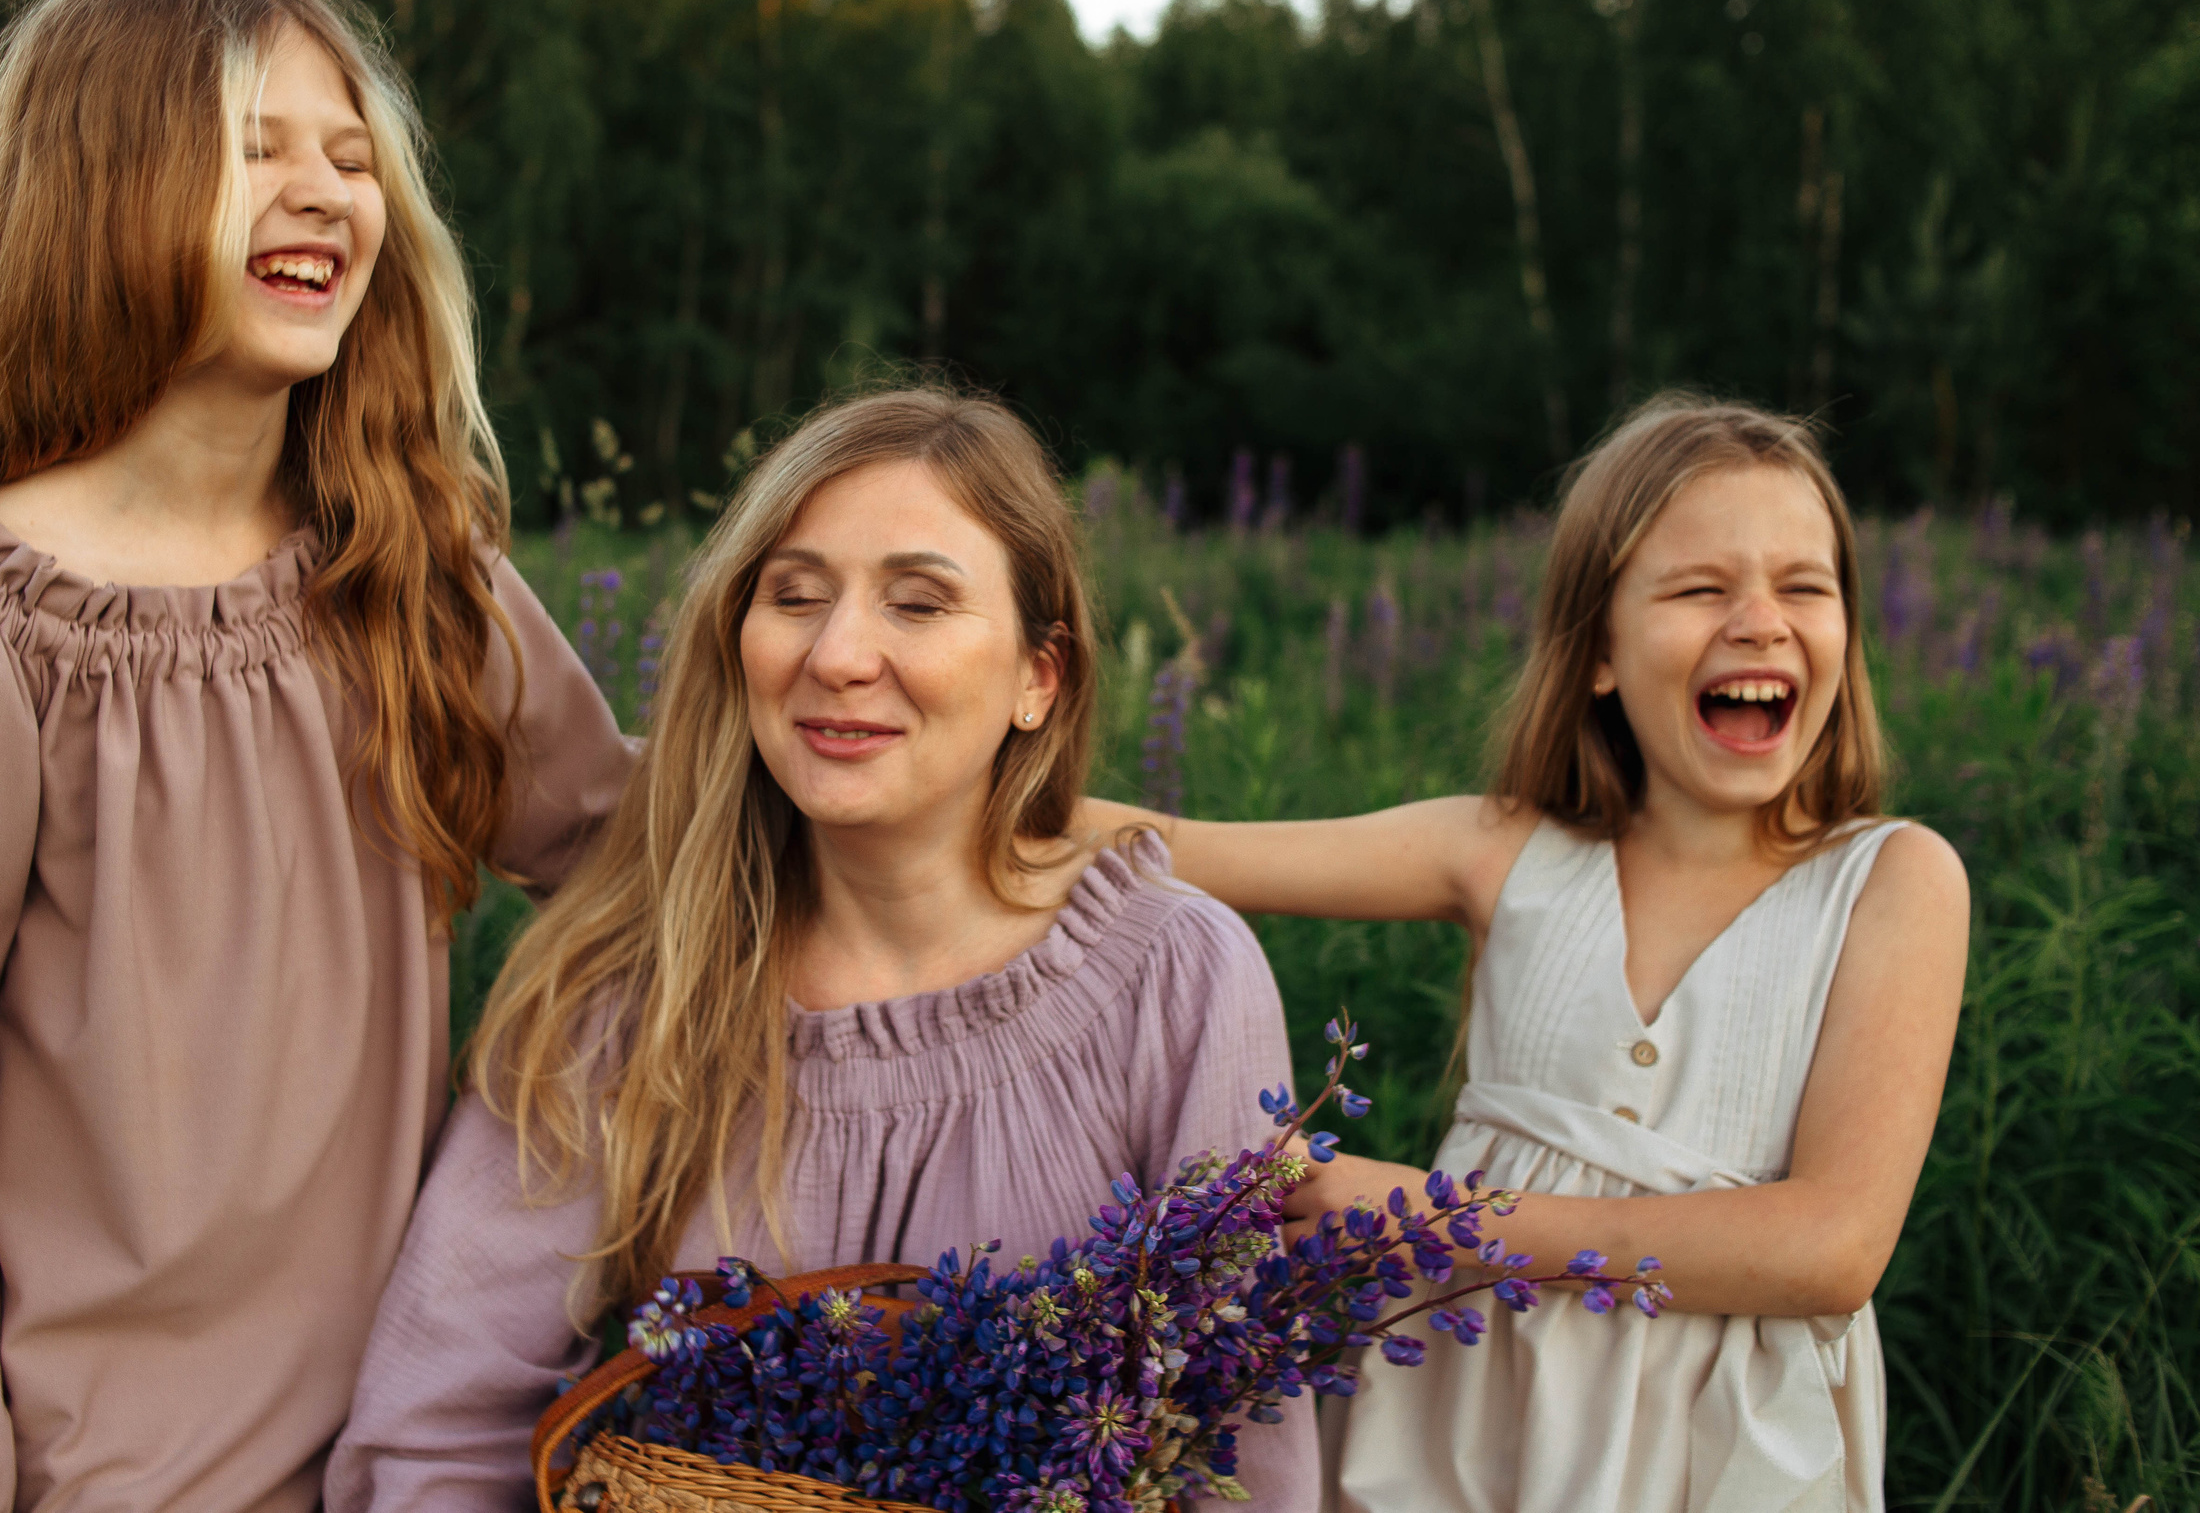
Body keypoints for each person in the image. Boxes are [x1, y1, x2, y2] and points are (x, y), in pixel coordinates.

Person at [0, 0, 635, 1512]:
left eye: (351, 153)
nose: (326, 189)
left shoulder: (409, 572)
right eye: (256, 149)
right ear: (103, 188)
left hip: (418, 1451)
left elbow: (626, 832)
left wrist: (936, 798)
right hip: (105, 1474)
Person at [323, 386, 1321, 1511]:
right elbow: (434, 1425)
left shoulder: (1174, 978)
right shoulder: (630, 981)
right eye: (793, 595)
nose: (839, 654)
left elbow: (1236, 1457)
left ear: (1039, 678)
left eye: (919, 604)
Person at [1103, 396, 1969, 1512]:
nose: (1760, 620)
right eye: (1701, 587)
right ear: (1598, 653)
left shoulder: (1890, 880)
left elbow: (1829, 1248)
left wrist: (1429, 1218)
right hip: (1457, 1434)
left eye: (1805, 586)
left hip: (1728, 1461)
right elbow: (1169, 851)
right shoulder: (1505, 848)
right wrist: (937, 783)